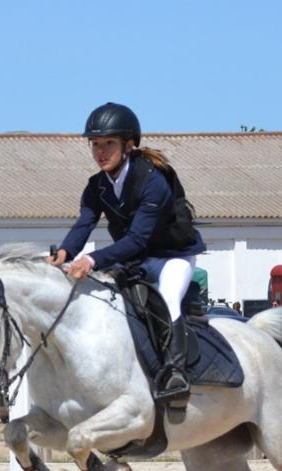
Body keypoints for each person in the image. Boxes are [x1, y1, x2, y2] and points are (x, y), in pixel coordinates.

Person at [47, 102, 206, 405]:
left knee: (168, 298)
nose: (100, 152)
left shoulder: (153, 180)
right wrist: (65, 252)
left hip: (172, 257)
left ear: (128, 145)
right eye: (95, 145)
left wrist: (91, 260)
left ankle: (175, 373)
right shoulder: (97, 186)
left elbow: (136, 239)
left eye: (108, 144)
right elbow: (85, 223)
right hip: (137, 258)